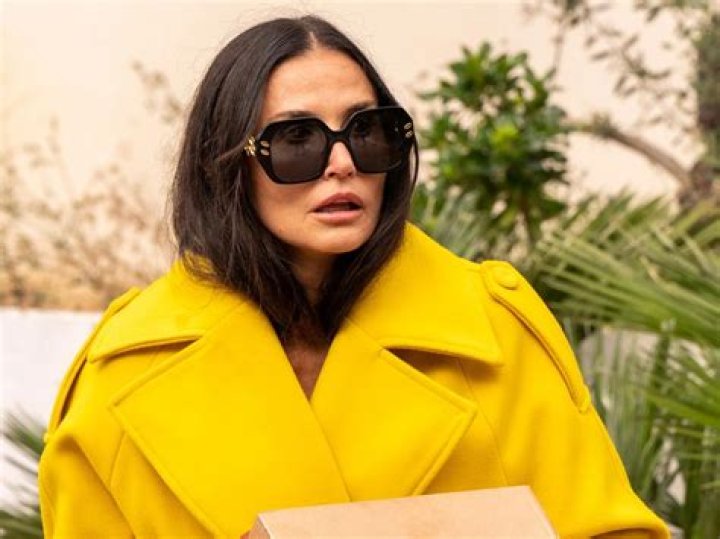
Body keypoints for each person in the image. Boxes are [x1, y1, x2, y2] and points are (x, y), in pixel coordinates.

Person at [38, 15, 669, 538]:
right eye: (296, 140)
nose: (341, 163)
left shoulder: (492, 332)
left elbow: (608, 528)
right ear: (225, 163)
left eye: (367, 132)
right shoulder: (123, 371)